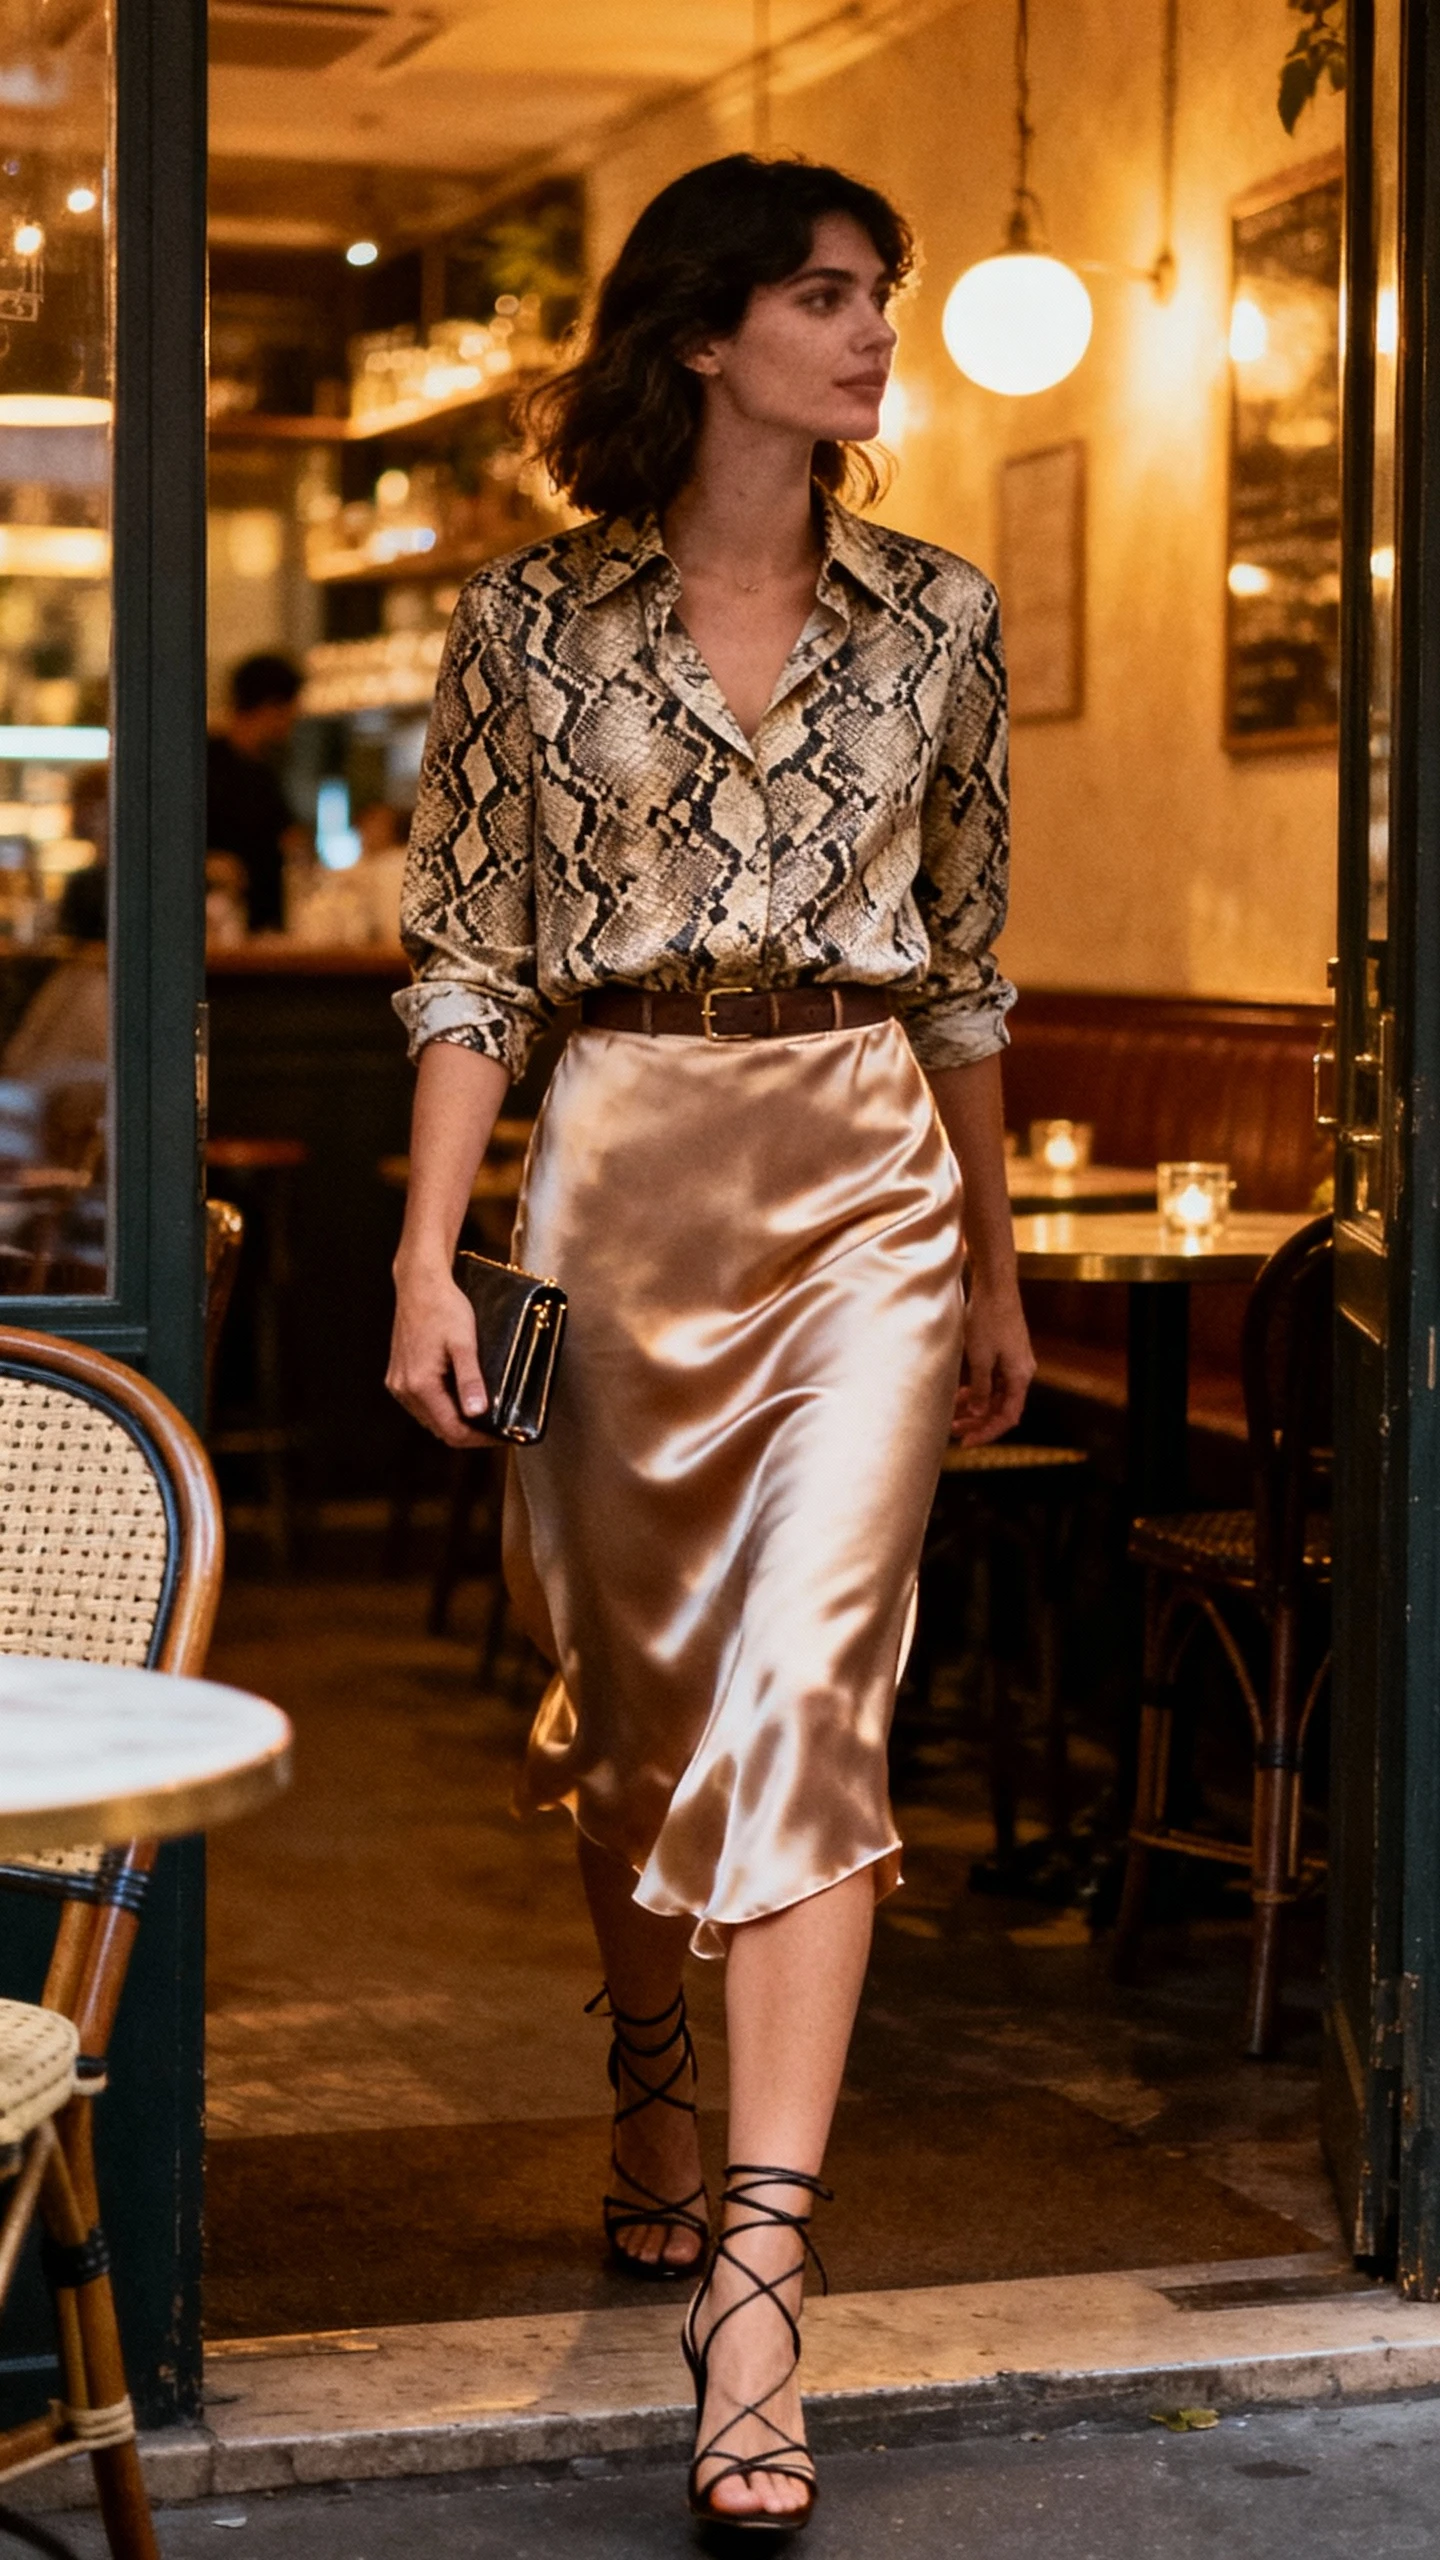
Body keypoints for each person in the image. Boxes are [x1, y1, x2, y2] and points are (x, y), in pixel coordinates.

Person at [387, 154, 1035, 2536]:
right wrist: (424, 1259)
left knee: (804, 1693)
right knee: (606, 1692)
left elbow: (961, 965)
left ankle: (758, 2287)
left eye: (880, 299)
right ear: (700, 334)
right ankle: (643, 2064)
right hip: (589, 1191)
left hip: (861, 1165)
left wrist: (981, 1253)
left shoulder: (940, 616)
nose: (873, 336)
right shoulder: (523, 622)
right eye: (829, 295)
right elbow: (467, 956)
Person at [206, 652, 305, 932]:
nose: (294, 721)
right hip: (215, 930)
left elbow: (289, 839)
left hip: (264, 930)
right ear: (271, 707)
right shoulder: (203, 763)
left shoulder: (266, 770)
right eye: (292, 709)